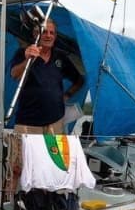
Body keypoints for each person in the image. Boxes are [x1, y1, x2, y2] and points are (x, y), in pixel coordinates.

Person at [6, 18, 84, 196]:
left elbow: (79, 80)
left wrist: (66, 95)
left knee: (52, 163)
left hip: (54, 122)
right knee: (17, 165)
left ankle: (48, 201)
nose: (48, 35)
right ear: (35, 34)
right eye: (44, 31)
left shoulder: (60, 58)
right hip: (28, 121)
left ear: (55, 36)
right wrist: (28, 59)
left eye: (52, 32)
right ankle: (6, 202)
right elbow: (14, 74)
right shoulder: (23, 53)